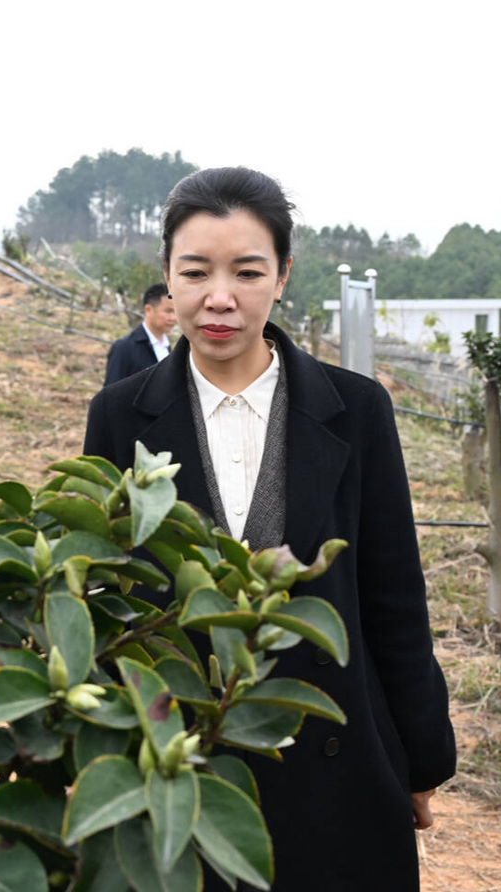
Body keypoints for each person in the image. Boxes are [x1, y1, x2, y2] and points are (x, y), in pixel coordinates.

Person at [84, 167, 456, 891]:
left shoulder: (357, 408)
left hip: (338, 756)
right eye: (195, 272)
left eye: (247, 271)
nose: (218, 298)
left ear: (282, 275)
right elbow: (108, 594)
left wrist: (420, 755)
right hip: (183, 759)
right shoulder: (121, 412)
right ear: (167, 276)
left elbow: (393, 595)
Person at [103, 282, 176, 384]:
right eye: (168, 311)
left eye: (176, 311)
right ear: (148, 310)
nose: (174, 318)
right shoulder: (124, 348)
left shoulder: (168, 347)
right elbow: (111, 394)